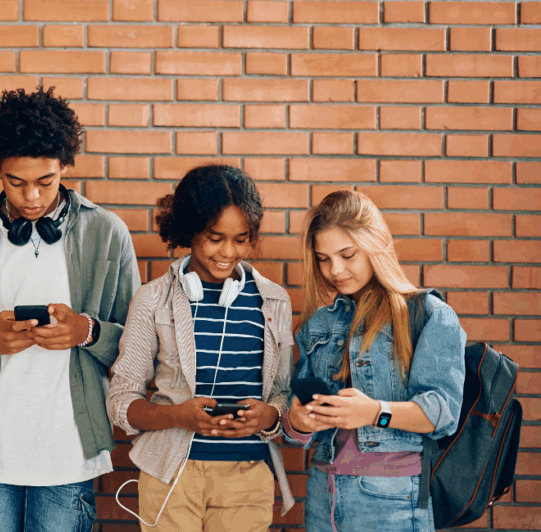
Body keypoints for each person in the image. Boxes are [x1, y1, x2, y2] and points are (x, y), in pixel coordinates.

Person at [0, 86, 140, 532]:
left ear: (65, 166)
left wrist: (86, 332)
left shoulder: (108, 234)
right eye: (15, 181)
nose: (31, 196)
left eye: (45, 181)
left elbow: (141, 348)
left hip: (68, 448)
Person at [107, 165, 295, 532]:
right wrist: (178, 416)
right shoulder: (153, 300)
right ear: (190, 230)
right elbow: (120, 402)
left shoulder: (274, 302)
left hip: (247, 478)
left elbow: (283, 394)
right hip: (171, 476)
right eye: (215, 237)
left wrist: (269, 416)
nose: (229, 252)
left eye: (241, 239)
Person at [284, 190, 466, 532]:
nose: (335, 270)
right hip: (324, 496)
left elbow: (441, 414)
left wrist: (373, 412)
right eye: (323, 258)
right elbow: (296, 434)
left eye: (347, 254)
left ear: (375, 243)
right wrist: (298, 422)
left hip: (392, 501)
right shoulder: (316, 326)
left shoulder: (428, 314)